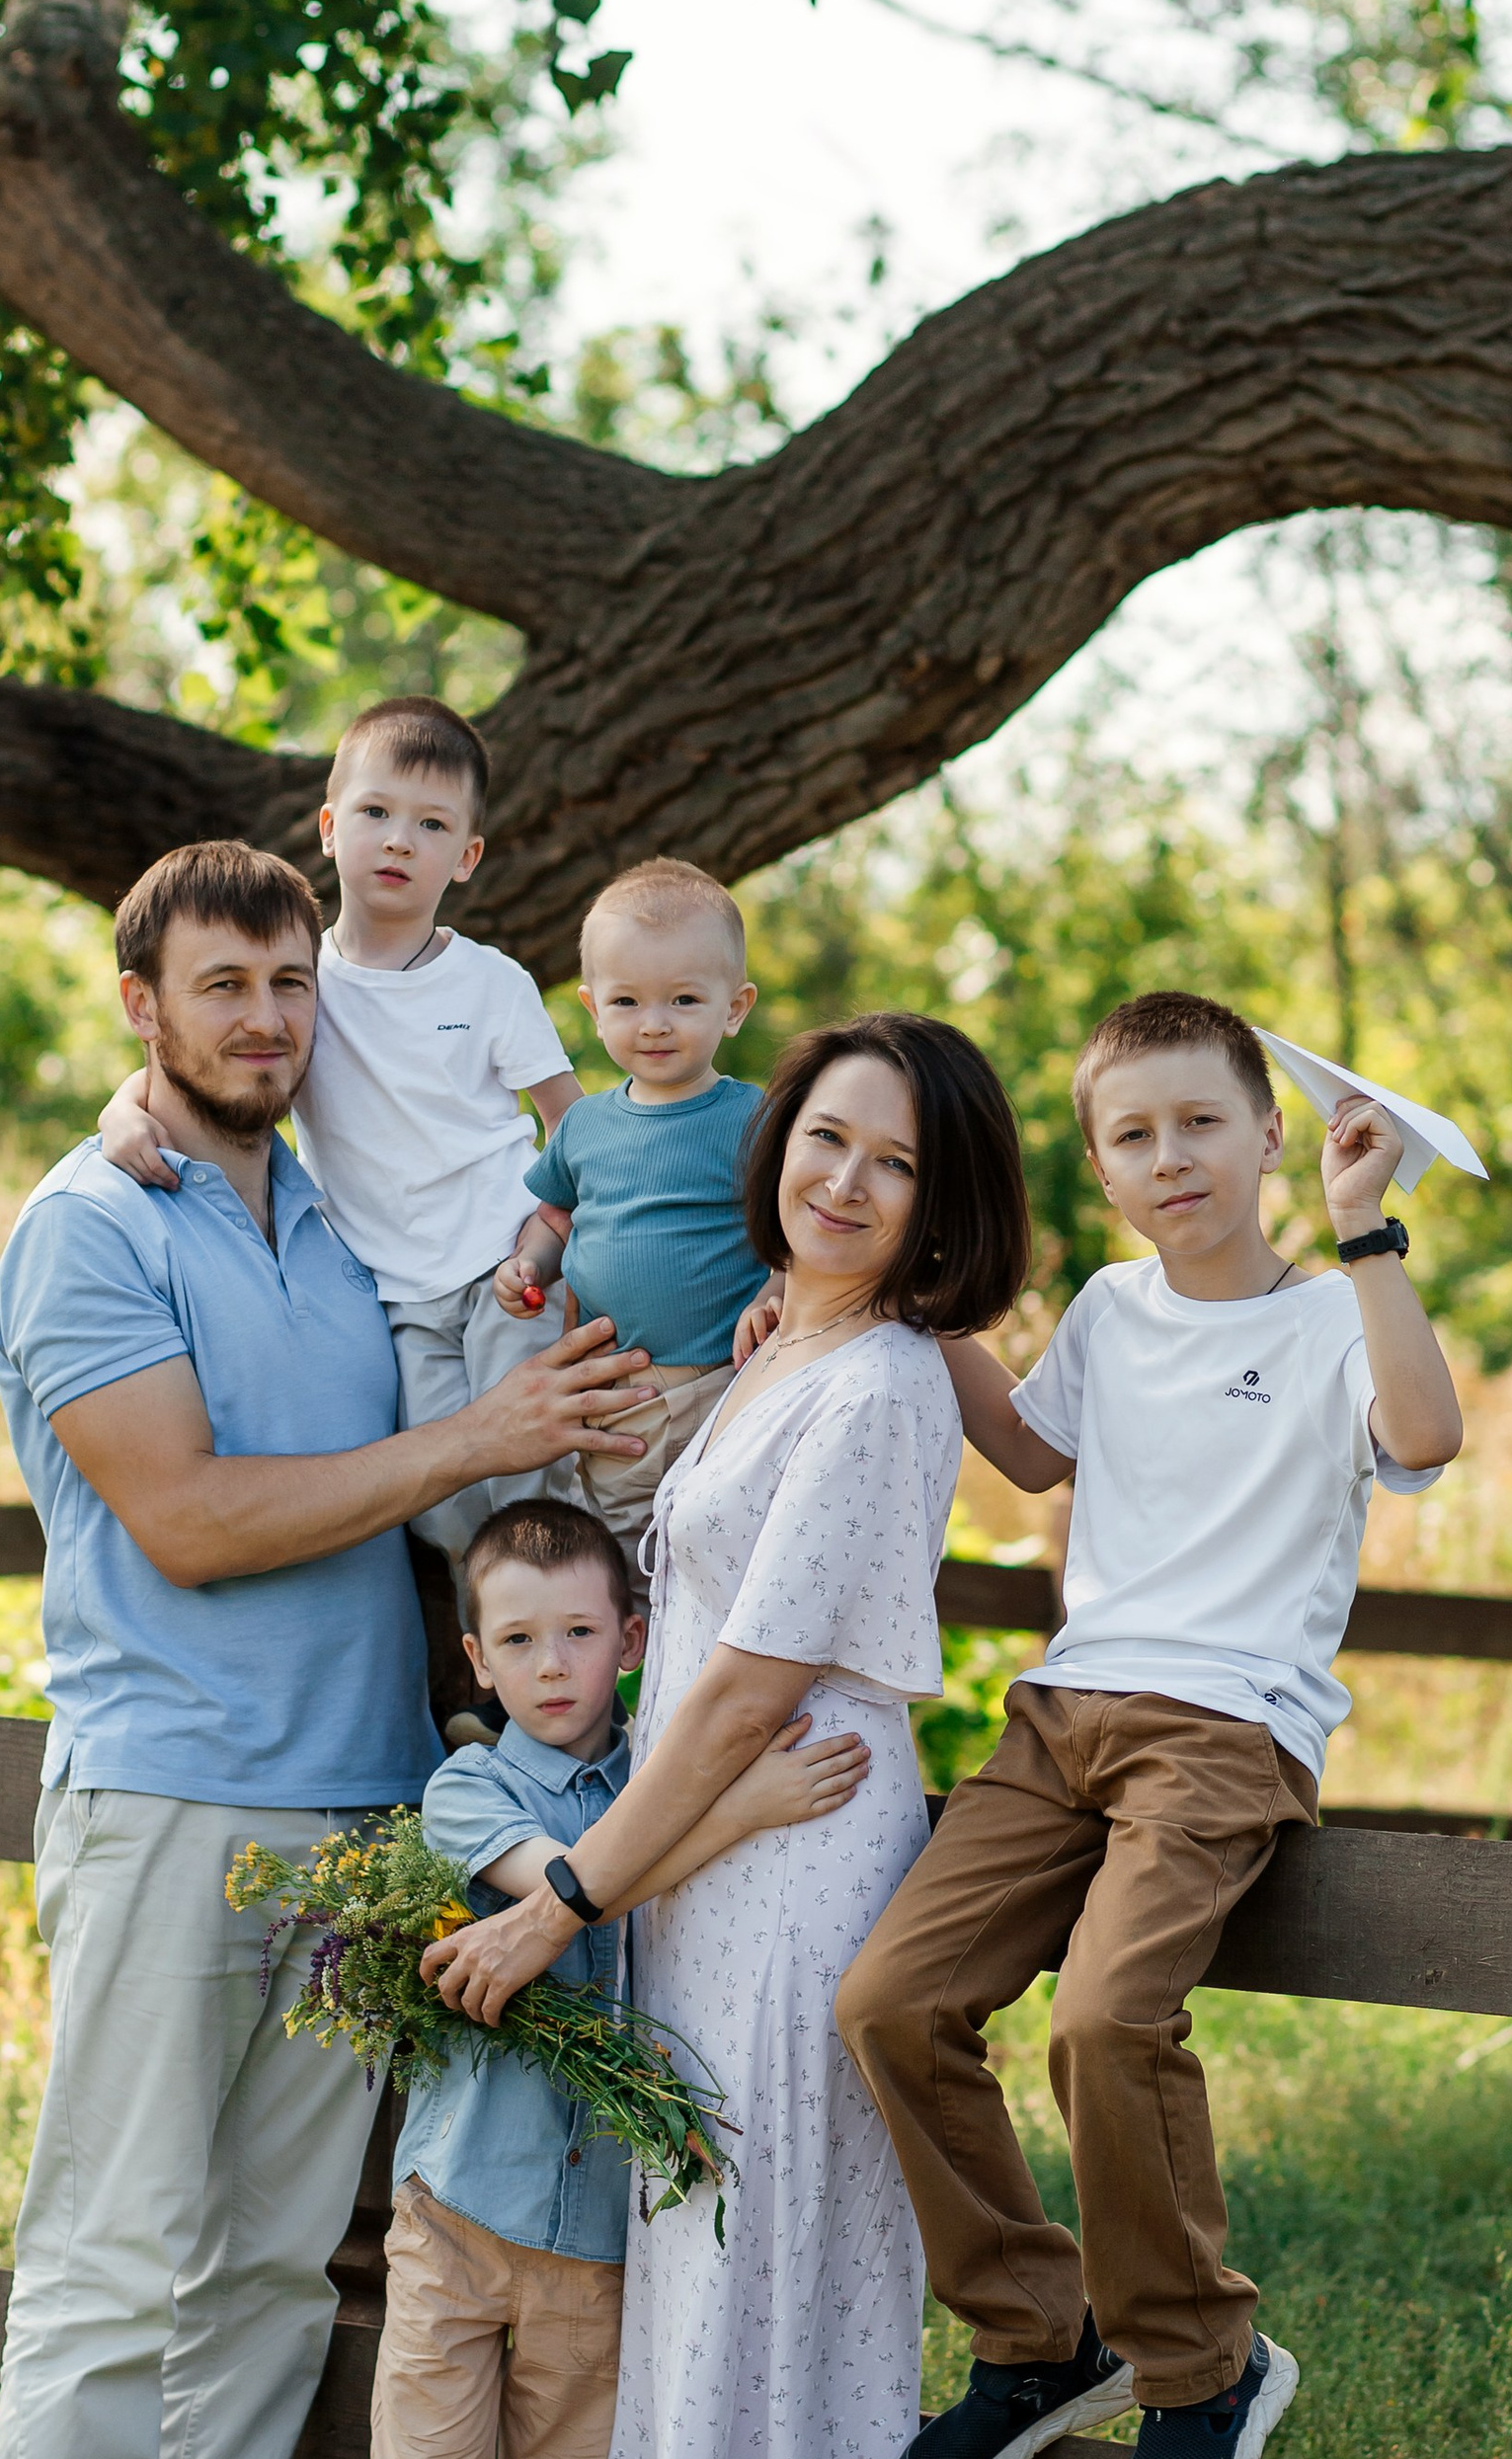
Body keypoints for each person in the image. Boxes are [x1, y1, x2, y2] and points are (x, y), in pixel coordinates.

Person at [0, 839, 653, 2459]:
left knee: (276, 2274)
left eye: (292, 983)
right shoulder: (91, 1227)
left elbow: (606, 1192)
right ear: (141, 1006)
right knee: (113, 2262)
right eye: (221, 985)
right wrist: (477, 1438)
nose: (266, 1018)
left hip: (365, 1813)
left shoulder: (352, 1221)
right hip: (176, 1800)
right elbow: (189, 1520)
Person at [836, 991, 1466, 2459]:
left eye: (1200, 1123)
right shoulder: (1111, 1310)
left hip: (1225, 1726)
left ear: (1268, 1135)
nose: (1170, 1156)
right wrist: (894, 1307)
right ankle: (1039, 2343)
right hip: (1061, 1715)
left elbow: (1425, 1436)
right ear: (1101, 1168)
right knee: (888, 2002)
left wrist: (1365, 1229)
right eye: (1133, 1136)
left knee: (1105, 2022)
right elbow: (1030, 1449)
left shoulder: (1336, 1312)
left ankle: (1200, 2370)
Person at [425, 1011, 1034, 2459]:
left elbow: (748, 1693)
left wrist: (557, 1904)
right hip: (704, 1860)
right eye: (827, 1136)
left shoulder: (879, 1383)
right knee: (705, 2282)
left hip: (792, 1870)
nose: (846, 1180)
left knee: (761, 2289)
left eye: (897, 1163)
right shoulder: (784, 1342)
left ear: (940, 1201)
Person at [374, 1496, 878, 2459]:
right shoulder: (469, 1789)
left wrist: (718, 1801)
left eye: (579, 1632)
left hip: (602, 2235)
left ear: (631, 1639)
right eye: (517, 1640)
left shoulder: (659, 1780)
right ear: (477, 1658)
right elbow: (575, 1888)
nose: (551, 1664)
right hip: (459, 2209)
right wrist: (739, 1811)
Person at [97, 698, 583, 1619]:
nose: (399, 840)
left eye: (432, 825)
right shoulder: (305, 981)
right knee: (438, 1507)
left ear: (467, 856)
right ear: (329, 827)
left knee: (534, 1491)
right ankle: (494, 1660)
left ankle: (569, 1661)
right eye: (375, 813)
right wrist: (121, 1110)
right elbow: (206, 1057)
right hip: (392, 1291)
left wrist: (550, 1239)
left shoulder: (490, 983)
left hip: (503, 1265)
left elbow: (578, 1131)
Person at [494, 858, 778, 1601]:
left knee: (723, 1562)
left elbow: (792, 1230)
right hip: (617, 1395)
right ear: (593, 1008)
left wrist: (776, 1289)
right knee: (622, 1568)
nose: (654, 1022)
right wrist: (529, 1265)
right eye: (627, 1001)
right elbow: (557, 1216)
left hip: (723, 1386)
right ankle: (633, 1671)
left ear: (734, 1007)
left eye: (684, 999)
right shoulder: (585, 1124)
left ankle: (716, 1670)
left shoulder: (755, 1119)